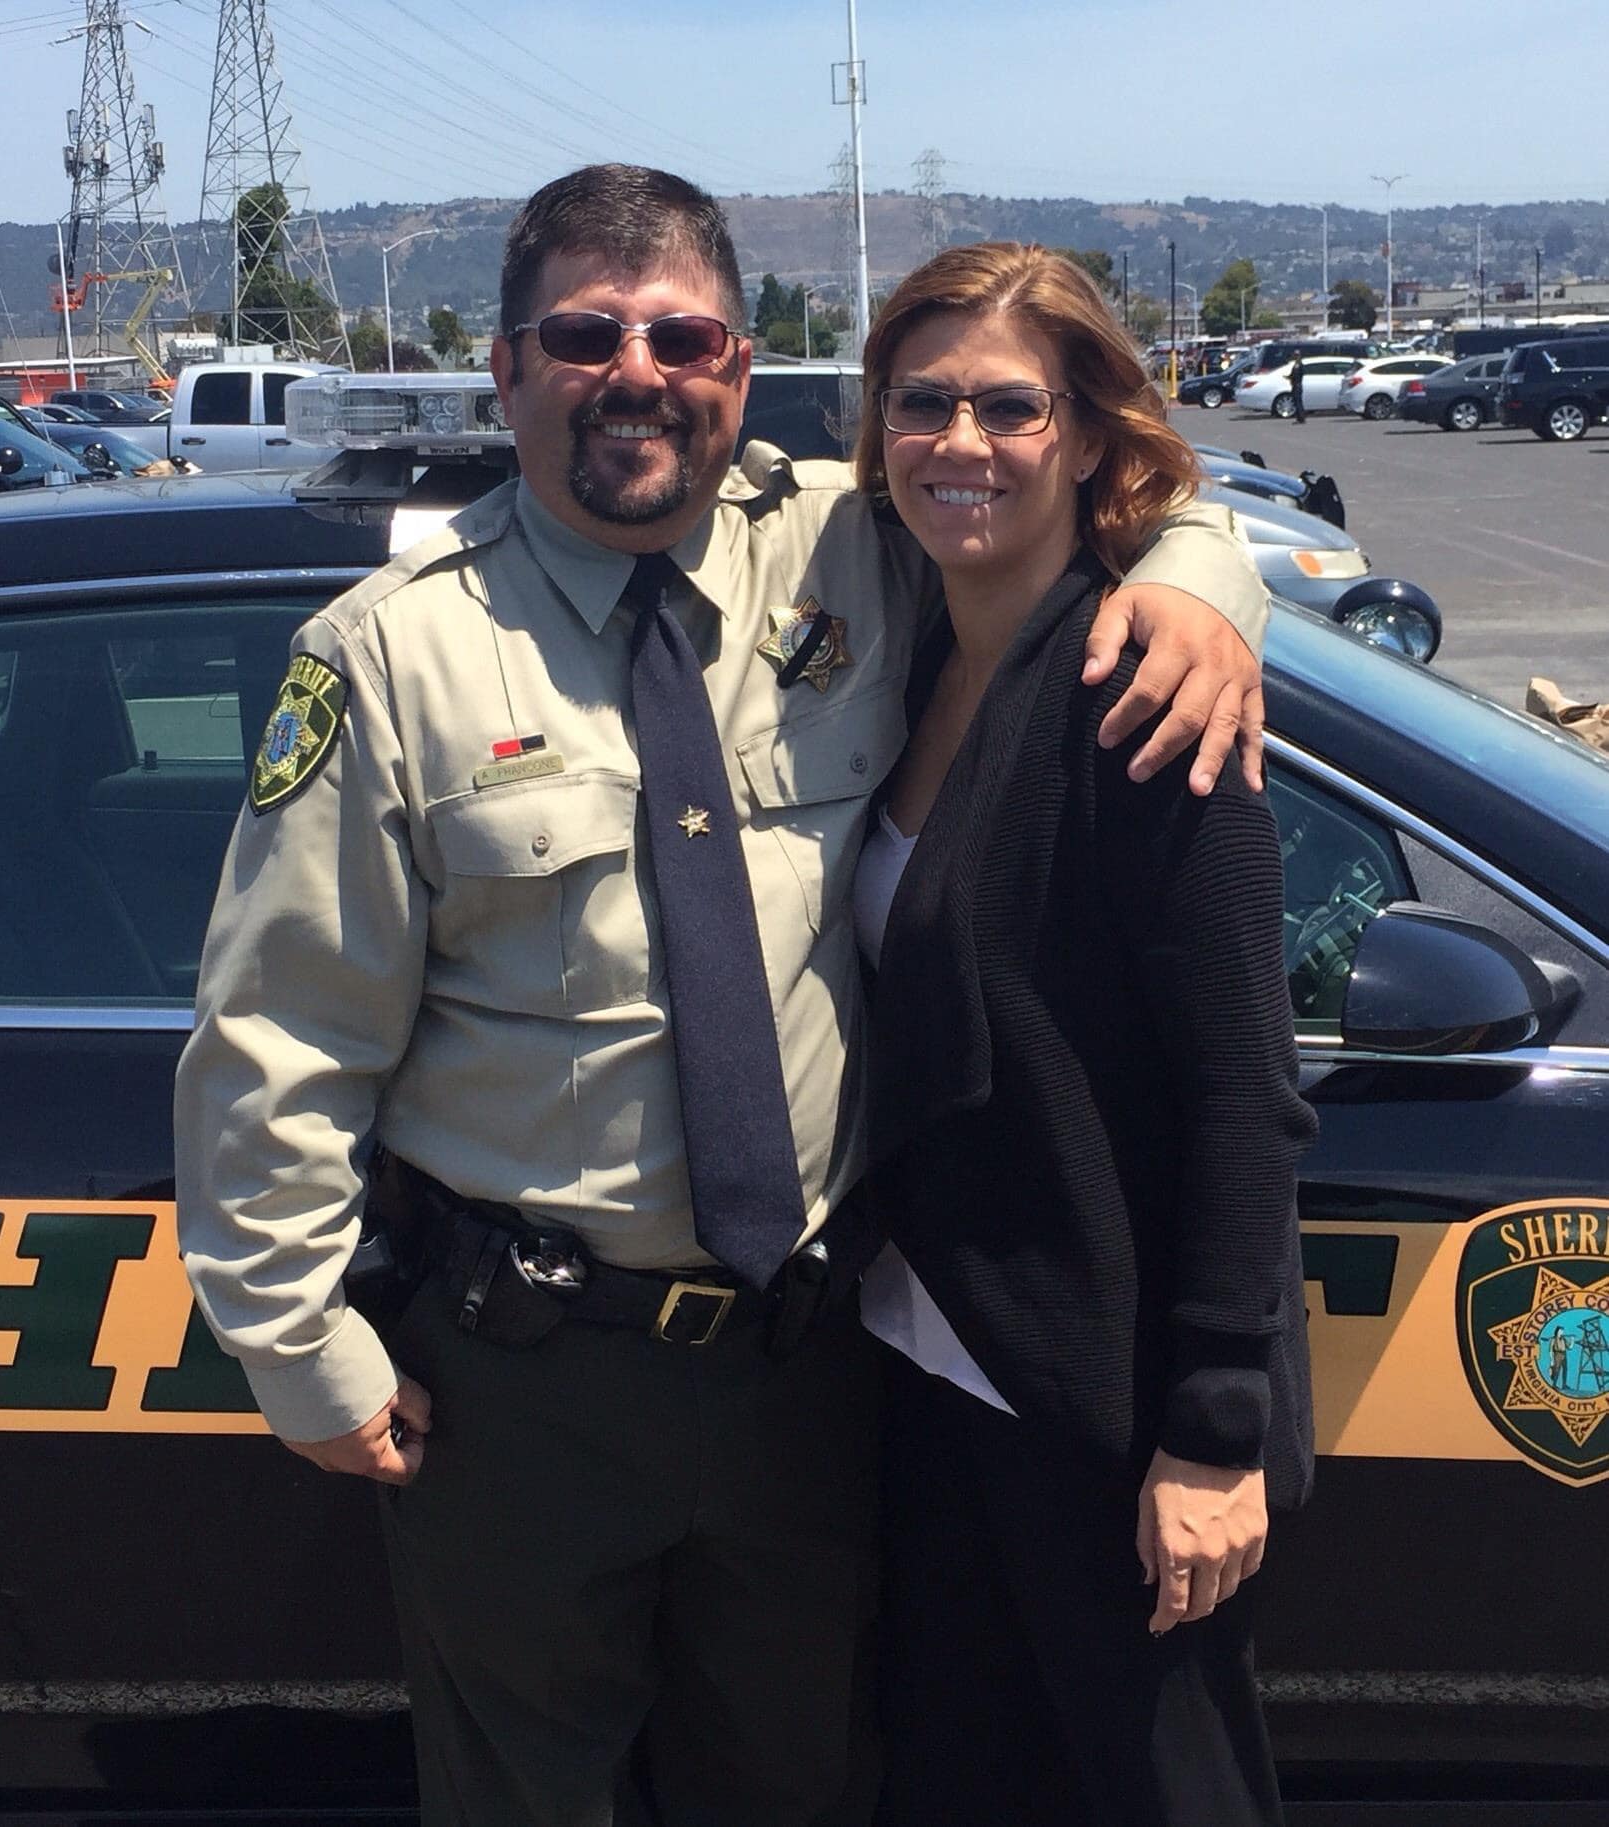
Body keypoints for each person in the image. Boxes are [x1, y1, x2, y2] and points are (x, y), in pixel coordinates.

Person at [174, 165, 1270, 1827]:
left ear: (740, 370)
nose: (637, 371)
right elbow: (283, 1031)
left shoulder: (845, 543)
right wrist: (296, 1343)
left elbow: (1066, 499)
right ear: (506, 369)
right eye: (583, 335)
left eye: (681, 337)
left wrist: (1196, 588)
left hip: (808, 1376)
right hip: (523, 1388)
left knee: (801, 1788)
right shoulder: (391, 654)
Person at [851, 242, 1316, 1826]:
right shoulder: (905, 660)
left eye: (1007, 406)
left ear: (1086, 436)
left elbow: (1242, 1094)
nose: (958, 442)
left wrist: (1211, 1433)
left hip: (1103, 1419)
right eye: (920, 402)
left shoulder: (1143, 701)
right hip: (927, 1373)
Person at [1288, 351, 1309, 423]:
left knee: (1298, 402)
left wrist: (1292, 377)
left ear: (1300, 356)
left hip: (1298, 385)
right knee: (1296, 402)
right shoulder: (1295, 365)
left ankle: (1301, 418)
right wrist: (1289, 377)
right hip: (1294, 385)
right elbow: (1292, 374)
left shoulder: (1300, 365)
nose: (1296, 357)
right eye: (1295, 355)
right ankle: (1299, 418)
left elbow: (1299, 374)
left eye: (1297, 355)